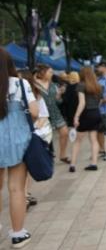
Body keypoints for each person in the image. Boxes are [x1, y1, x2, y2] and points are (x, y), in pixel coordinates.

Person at [0, 49, 39, 248]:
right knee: (16, 189)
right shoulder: (20, 84)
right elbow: (34, 112)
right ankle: (17, 235)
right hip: (17, 142)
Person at [20, 70, 53, 210]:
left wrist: (32, 128)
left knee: (26, 168)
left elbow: (43, 117)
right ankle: (24, 195)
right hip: (25, 136)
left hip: (33, 136)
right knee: (23, 169)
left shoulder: (37, 97)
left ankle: (25, 194)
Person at [69, 67, 102, 173]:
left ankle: (72, 165)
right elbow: (100, 101)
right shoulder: (99, 86)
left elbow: (82, 103)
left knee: (78, 141)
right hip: (96, 112)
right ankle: (94, 163)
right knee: (93, 139)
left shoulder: (81, 85)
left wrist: (76, 116)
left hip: (85, 114)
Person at [34, 64, 70, 163]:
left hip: (55, 113)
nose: (52, 74)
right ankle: (45, 156)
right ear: (42, 73)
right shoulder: (35, 84)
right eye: (50, 72)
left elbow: (58, 102)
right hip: (42, 115)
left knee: (65, 132)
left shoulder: (54, 85)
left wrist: (59, 95)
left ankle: (63, 155)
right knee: (45, 137)